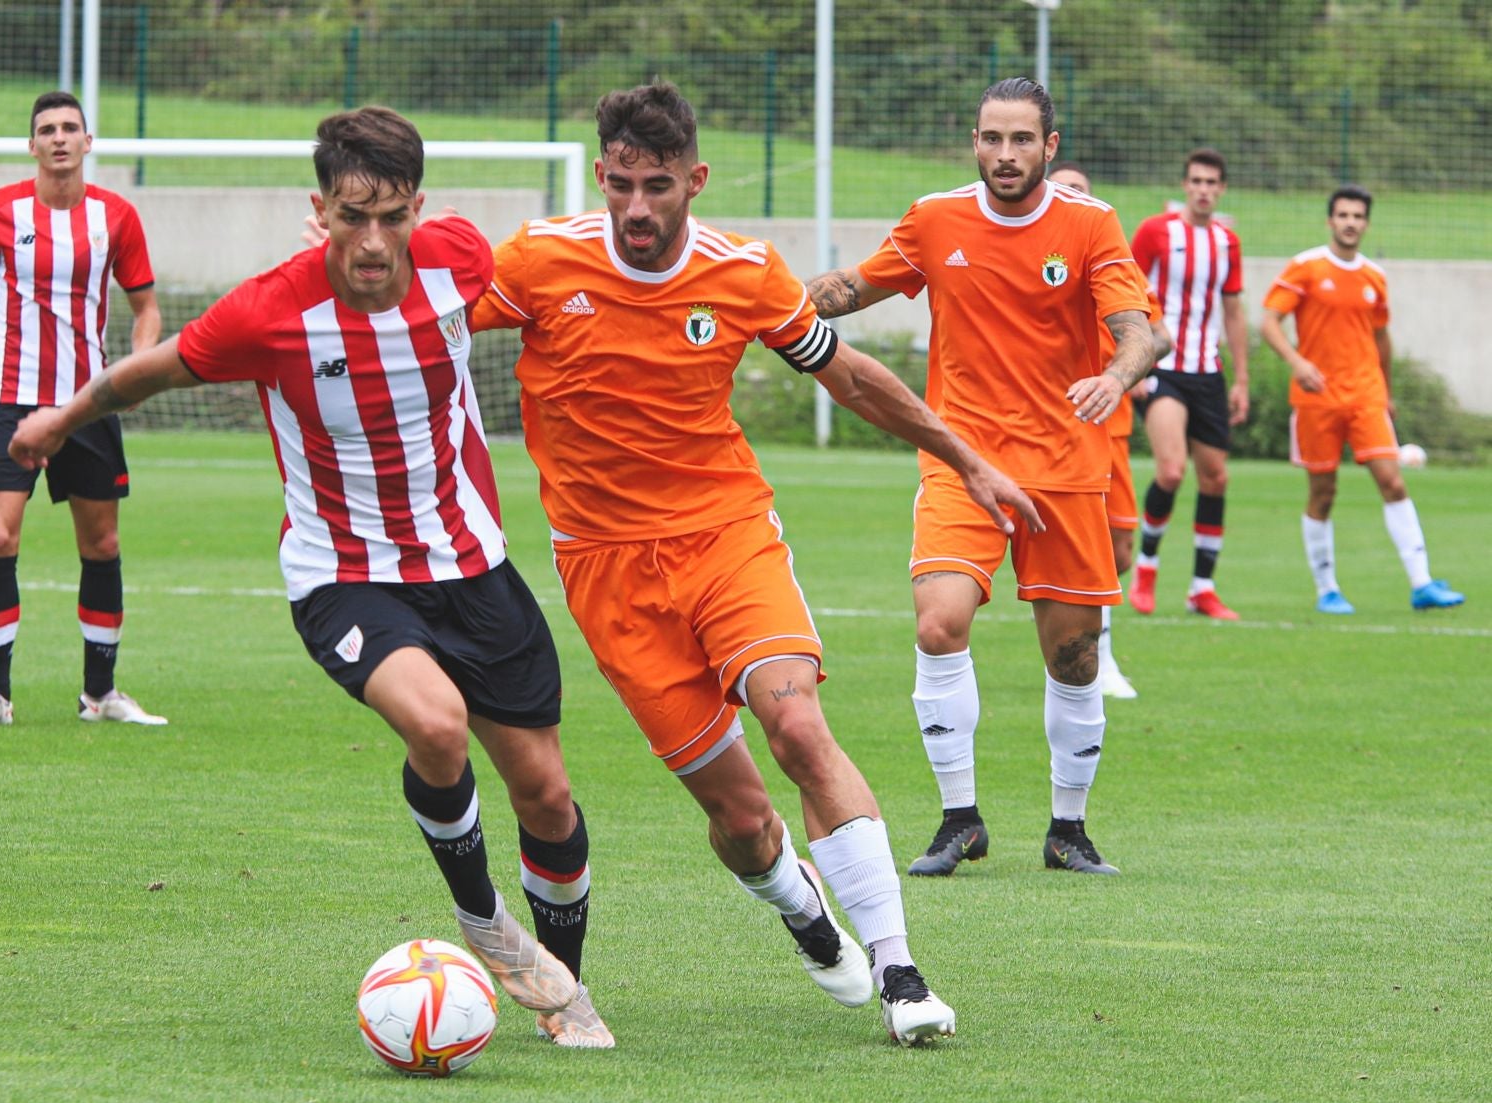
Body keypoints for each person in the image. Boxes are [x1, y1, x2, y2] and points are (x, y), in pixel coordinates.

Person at [7, 107, 609, 1049]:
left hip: (473, 565)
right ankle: (486, 922)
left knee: (547, 796)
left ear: (421, 208)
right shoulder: (270, 309)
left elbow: (566, 269)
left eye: (393, 217)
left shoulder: (462, 258)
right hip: (343, 572)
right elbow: (150, 374)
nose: (374, 242)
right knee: (437, 724)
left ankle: (568, 989)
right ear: (319, 208)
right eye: (351, 217)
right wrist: (56, 422)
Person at [474, 82, 1044, 1046]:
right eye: (621, 185)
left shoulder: (743, 272)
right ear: (601, 176)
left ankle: (903, 971)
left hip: (726, 535)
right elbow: (420, 331)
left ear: (695, 180)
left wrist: (968, 461)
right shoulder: (536, 262)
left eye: (659, 185)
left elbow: (851, 376)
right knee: (741, 819)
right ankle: (801, 908)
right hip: (606, 571)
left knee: (796, 724)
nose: (639, 208)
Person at [807, 78, 1155, 879]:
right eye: (992, 139)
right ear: (974, 142)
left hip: (1066, 467)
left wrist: (1117, 376)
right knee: (938, 624)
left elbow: (1137, 330)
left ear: (1050, 147)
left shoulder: (1090, 224)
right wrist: (763, 307)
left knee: (1074, 657)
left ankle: (1069, 829)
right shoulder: (934, 218)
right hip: (962, 461)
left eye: (1022, 141)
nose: (1006, 155)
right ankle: (959, 819)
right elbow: (850, 289)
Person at [0, 91, 167, 728]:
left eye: (70, 128)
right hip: (8, 399)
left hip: (88, 403)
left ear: (88, 142)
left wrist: (134, 371)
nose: (59, 138)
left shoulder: (116, 217)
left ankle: (100, 696)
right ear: (31, 145)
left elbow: (147, 310)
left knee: (102, 543)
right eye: (46, 130)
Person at [1260, 186, 1465, 613]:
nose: (1350, 222)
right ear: (1330, 221)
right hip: (1317, 398)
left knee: (1393, 481)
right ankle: (1327, 589)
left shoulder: (1374, 276)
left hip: (1367, 395)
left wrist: (1386, 392)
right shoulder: (1306, 267)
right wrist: (1298, 363)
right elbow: (1269, 322)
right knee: (1323, 493)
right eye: (1343, 215)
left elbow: (1381, 335)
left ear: (1366, 223)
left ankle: (1422, 583)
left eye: (1358, 216)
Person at [1048, 162, 1171, 699]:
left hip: (1107, 427)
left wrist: (1125, 368)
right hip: (1042, 426)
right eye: (1062, 190)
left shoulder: (1109, 258)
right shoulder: (1032, 256)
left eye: (1080, 191)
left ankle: (1087, 647)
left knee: (1118, 551)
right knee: (1072, 550)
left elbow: (1158, 334)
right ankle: (1100, 661)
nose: (1071, 198)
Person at [1127, 148, 1251, 620]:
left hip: (1208, 372)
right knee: (1172, 470)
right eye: (1196, 181)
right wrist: (1132, 365)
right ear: (1184, 185)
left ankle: (1202, 587)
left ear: (1221, 190)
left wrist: (1241, 378)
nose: (1203, 189)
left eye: (1212, 183)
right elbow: (1127, 291)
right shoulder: (1156, 231)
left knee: (1216, 477)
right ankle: (1147, 567)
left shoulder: (1227, 242)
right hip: (1163, 368)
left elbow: (1234, 311)